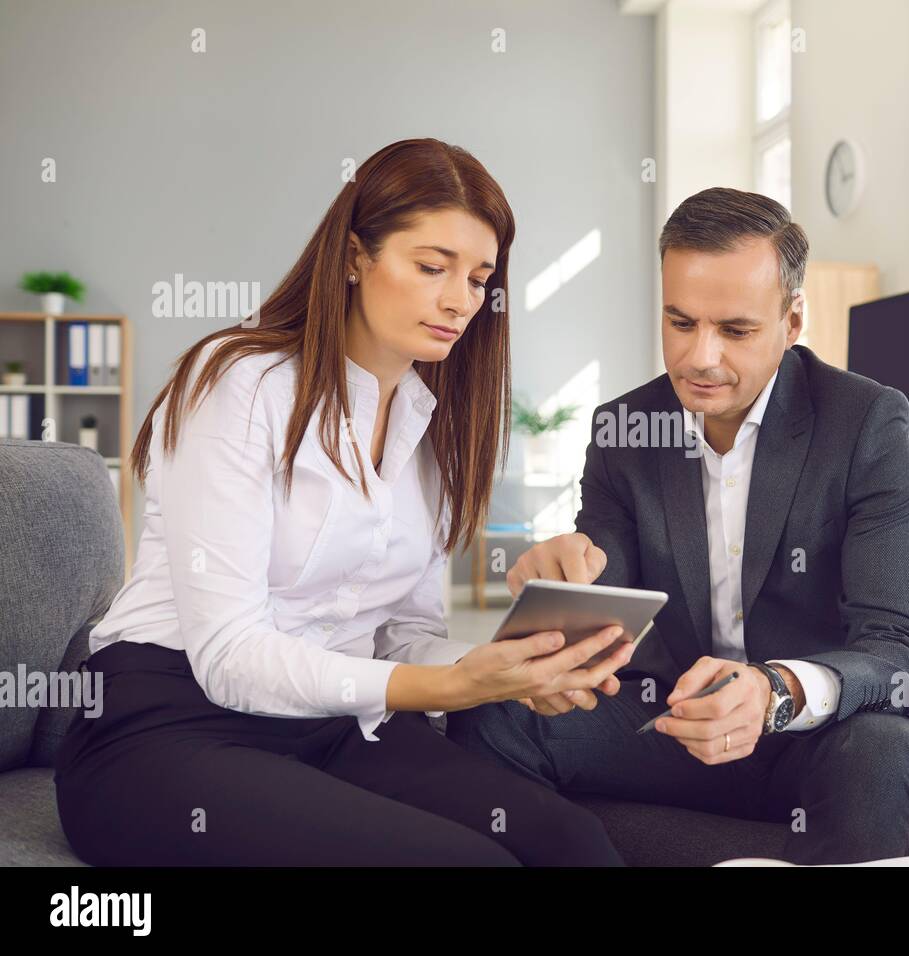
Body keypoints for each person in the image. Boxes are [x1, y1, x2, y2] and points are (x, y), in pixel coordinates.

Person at [54, 138, 628, 867]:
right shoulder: (241, 381)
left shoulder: (432, 426)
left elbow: (399, 639)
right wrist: (449, 686)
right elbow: (229, 655)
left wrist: (509, 668)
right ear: (356, 256)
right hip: (170, 721)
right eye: (431, 267)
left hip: (335, 722)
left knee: (572, 845)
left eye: (480, 278)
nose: (460, 300)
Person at [447, 186, 909, 865]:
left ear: (793, 319)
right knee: (490, 712)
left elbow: (899, 644)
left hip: (821, 730)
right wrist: (568, 592)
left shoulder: (863, 421)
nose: (700, 358)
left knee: (881, 749)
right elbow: (607, 592)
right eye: (680, 323)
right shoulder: (626, 429)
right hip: (677, 721)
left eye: (736, 330)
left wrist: (776, 691)